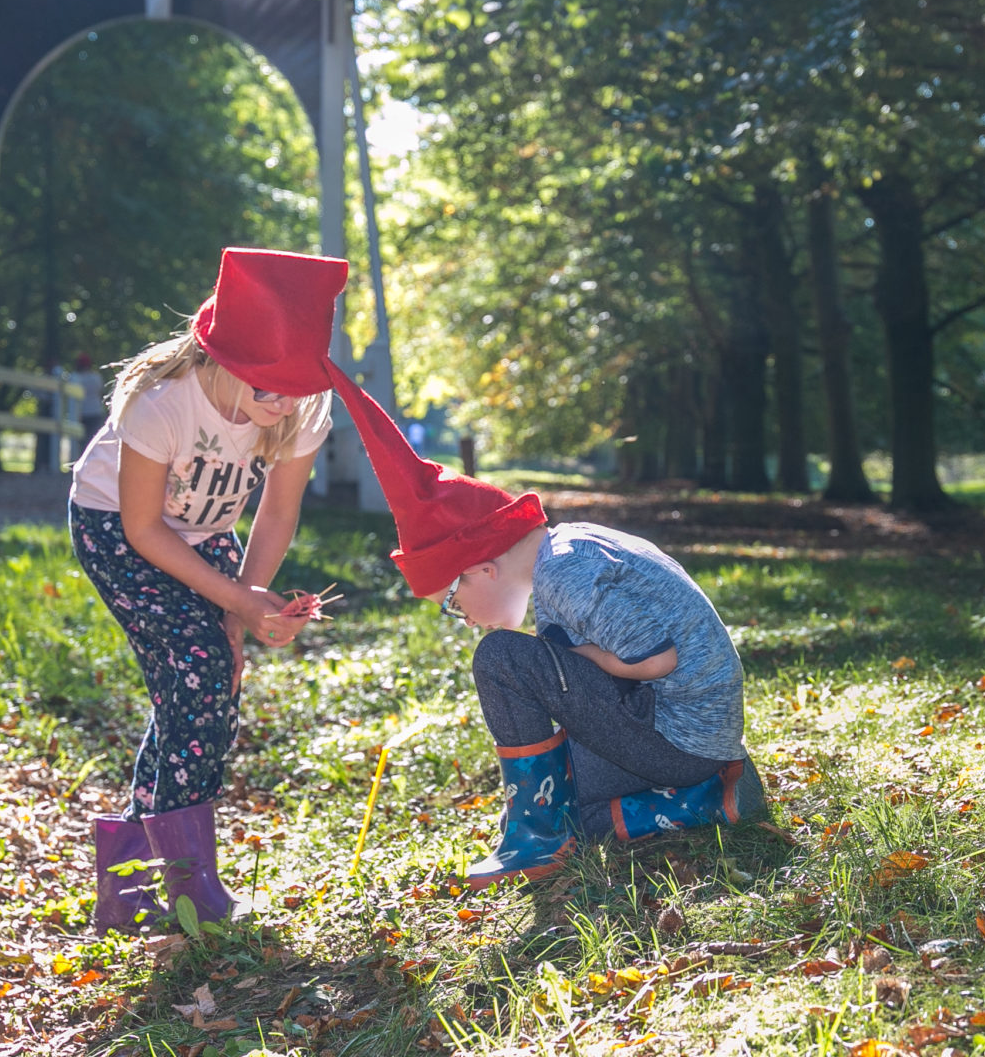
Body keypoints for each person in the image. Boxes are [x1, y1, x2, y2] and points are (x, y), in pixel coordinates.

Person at [320, 364, 768, 889]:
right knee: (553, 799)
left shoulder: (565, 570)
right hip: (685, 739)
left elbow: (657, 658)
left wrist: (584, 660)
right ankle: (715, 798)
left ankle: (540, 841)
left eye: (451, 600)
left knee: (501, 657)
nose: (462, 617)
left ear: (481, 569)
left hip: (678, 734)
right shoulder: (564, 552)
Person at [70, 248, 349, 933]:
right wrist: (232, 601)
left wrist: (251, 595)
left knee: (206, 684)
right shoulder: (163, 404)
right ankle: (190, 889)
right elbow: (143, 528)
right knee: (195, 671)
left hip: (203, 533)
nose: (280, 399)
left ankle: (128, 883)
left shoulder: (302, 409)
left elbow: (277, 512)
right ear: (221, 353)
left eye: (293, 382)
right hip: (120, 529)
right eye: (266, 381)